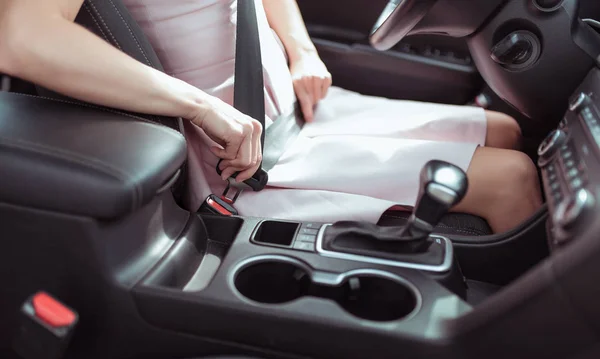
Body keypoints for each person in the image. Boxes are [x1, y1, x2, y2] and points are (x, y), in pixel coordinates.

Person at [0, 0, 542, 233]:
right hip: (237, 160)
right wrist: (202, 106)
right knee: (510, 180)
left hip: (296, 112)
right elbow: (22, 37)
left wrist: (301, 50)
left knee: (507, 131)